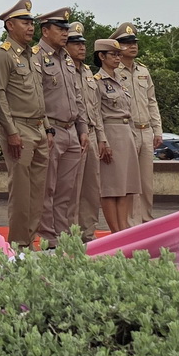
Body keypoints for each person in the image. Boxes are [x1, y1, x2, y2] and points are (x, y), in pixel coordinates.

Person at [0, 0, 48, 248]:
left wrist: (47, 127)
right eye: (25, 23)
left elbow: (38, 94)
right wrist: (11, 131)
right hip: (19, 128)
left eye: (31, 23)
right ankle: (18, 244)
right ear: (10, 25)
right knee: (22, 192)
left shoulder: (32, 56)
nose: (30, 27)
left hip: (38, 127)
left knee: (37, 193)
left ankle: (30, 239)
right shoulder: (2, 55)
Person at [36, 7, 88, 246]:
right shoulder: (36, 56)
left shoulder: (66, 58)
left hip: (71, 130)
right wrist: (46, 128)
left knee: (67, 190)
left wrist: (83, 128)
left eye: (66, 28)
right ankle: (48, 237)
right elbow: (36, 98)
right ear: (46, 31)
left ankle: (64, 235)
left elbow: (77, 96)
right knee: (48, 188)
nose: (65, 33)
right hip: (52, 129)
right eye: (60, 28)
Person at [90, 38, 140, 231]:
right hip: (110, 134)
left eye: (119, 54)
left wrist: (134, 136)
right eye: (113, 54)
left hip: (126, 133)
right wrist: (102, 139)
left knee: (127, 186)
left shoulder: (121, 81)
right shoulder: (97, 82)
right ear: (101, 56)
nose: (118, 58)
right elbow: (96, 114)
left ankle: (124, 229)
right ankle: (115, 230)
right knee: (111, 187)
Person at [115, 29, 162, 225]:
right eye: (127, 42)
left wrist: (157, 130)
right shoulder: (114, 71)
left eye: (134, 42)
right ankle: (131, 223)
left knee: (146, 183)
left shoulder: (143, 71)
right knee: (130, 182)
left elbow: (152, 101)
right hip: (127, 130)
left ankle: (146, 221)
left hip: (146, 130)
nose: (133, 46)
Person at [66, 22, 105, 235]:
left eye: (83, 43)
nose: (81, 47)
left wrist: (101, 137)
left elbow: (95, 108)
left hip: (90, 132)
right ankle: (70, 233)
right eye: (75, 43)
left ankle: (88, 233)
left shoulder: (89, 72)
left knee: (91, 189)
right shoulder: (64, 68)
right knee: (72, 189)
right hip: (72, 131)